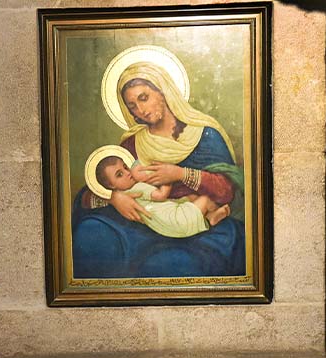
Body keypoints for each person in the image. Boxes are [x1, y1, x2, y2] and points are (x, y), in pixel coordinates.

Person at [83, 61, 245, 224]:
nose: (141, 110)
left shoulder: (205, 135)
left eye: (144, 98)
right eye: (132, 106)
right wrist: (114, 198)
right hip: (152, 221)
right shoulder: (132, 144)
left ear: (163, 91)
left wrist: (180, 174)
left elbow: (228, 191)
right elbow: (89, 195)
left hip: (194, 219)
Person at [90, 151, 230, 238]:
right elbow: (161, 195)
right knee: (204, 199)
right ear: (111, 186)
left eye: (126, 167)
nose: (127, 173)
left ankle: (210, 218)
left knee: (191, 199)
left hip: (165, 227)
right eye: (119, 174)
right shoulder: (138, 187)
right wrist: (168, 178)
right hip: (175, 220)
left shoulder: (127, 190)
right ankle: (210, 215)